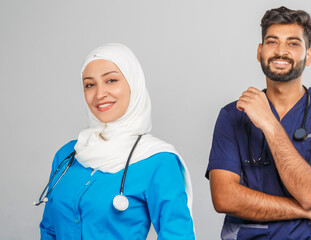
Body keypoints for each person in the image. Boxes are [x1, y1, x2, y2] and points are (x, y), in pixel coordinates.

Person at [206, 6, 311, 240]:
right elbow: (224, 197)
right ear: (259, 51)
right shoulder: (232, 115)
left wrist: (269, 123)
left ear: (309, 55)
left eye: (293, 43)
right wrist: (309, 213)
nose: (281, 51)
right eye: (272, 42)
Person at [37, 43, 195, 239]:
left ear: (133, 84)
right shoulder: (68, 155)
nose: (100, 93)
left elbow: (177, 235)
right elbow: (50, 229)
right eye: (89, 84)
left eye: (111, 80)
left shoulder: (158, 161)